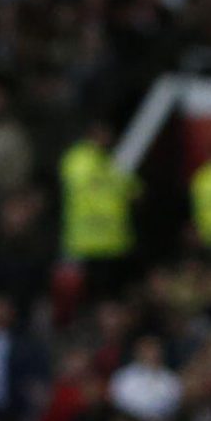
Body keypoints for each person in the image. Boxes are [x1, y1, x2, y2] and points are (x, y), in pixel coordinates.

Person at [60, 120, 139, 300]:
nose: (109, 139)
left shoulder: (111, 160)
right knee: (84, 296)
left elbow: (133, 190)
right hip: (85, 241)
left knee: (110, 296)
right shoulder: (78, 159)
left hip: (114, 240)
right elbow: (92, 190)